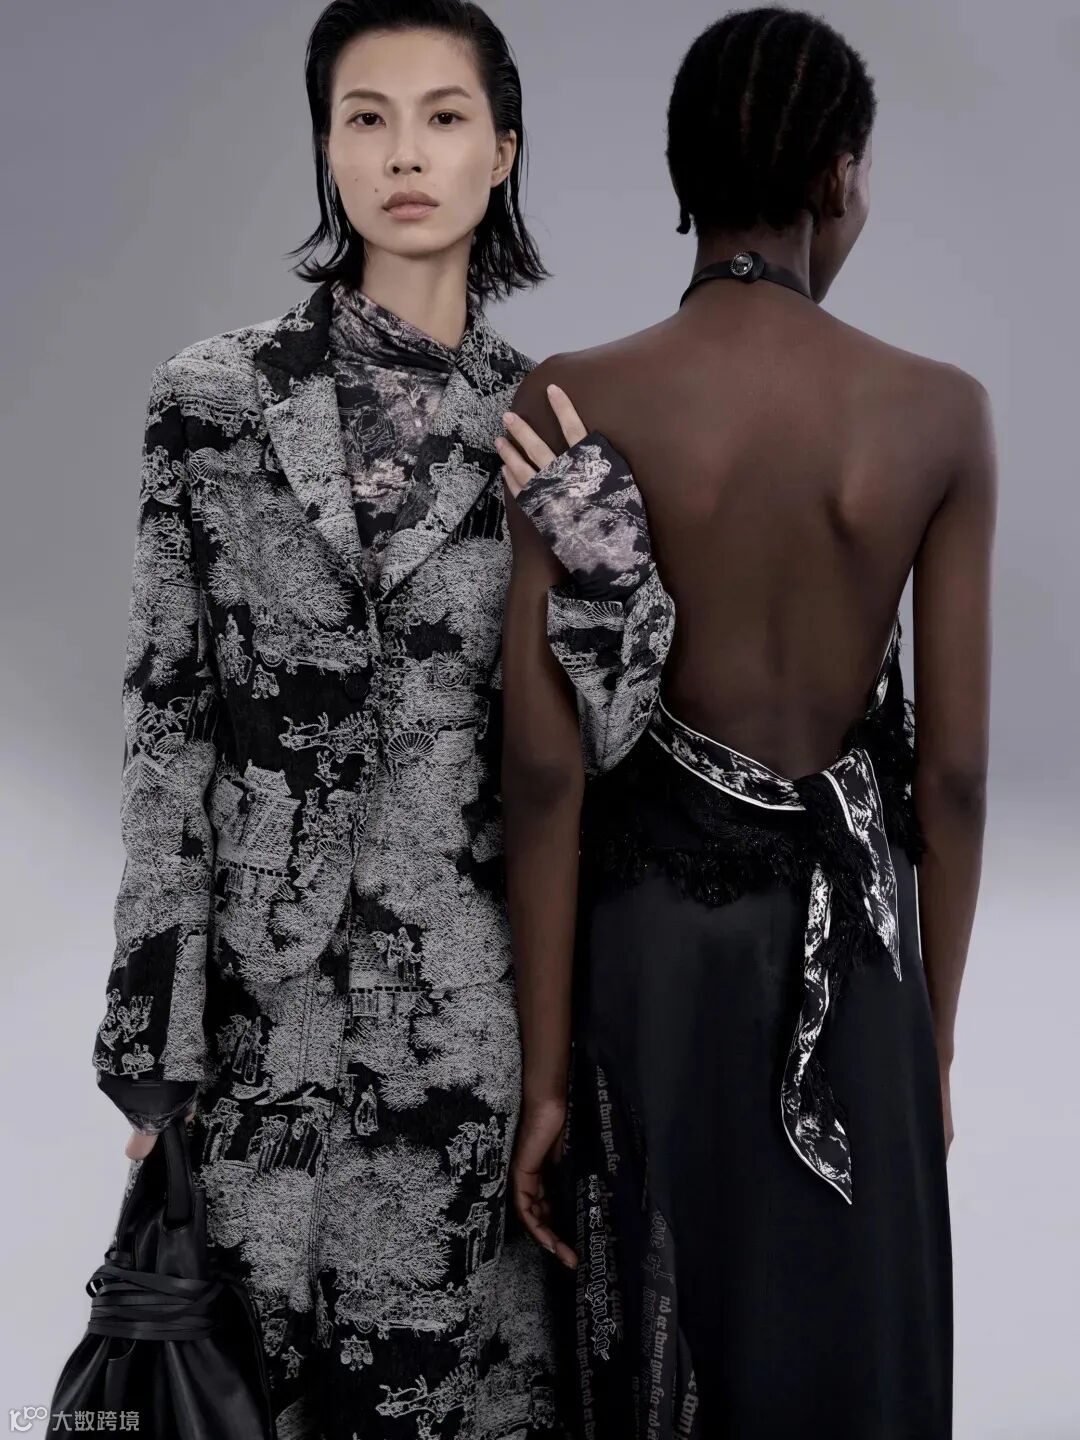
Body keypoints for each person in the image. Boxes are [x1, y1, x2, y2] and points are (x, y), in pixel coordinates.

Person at [90, 2, 663, 1434]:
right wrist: (150, 1060)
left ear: (502, 152)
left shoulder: (544, 426)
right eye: (367, 117)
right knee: (234, 1396)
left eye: (444, 117)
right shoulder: (212, 404)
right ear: (328, 149)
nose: (406, 153)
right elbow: (168, 726)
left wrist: (609, 569)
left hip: (469, 1048)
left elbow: (608, 751)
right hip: (257, 1046)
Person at [500, 8, 995, 1436]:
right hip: (862, 966)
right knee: (849, 1347)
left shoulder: (572, 396)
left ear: (683, 177)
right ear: (838, 176)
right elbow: (955, 779)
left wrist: (543, 1077)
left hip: (649, 957)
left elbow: (543, 770)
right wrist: (929, 1040)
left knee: (666, 1351)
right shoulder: (940, 413)